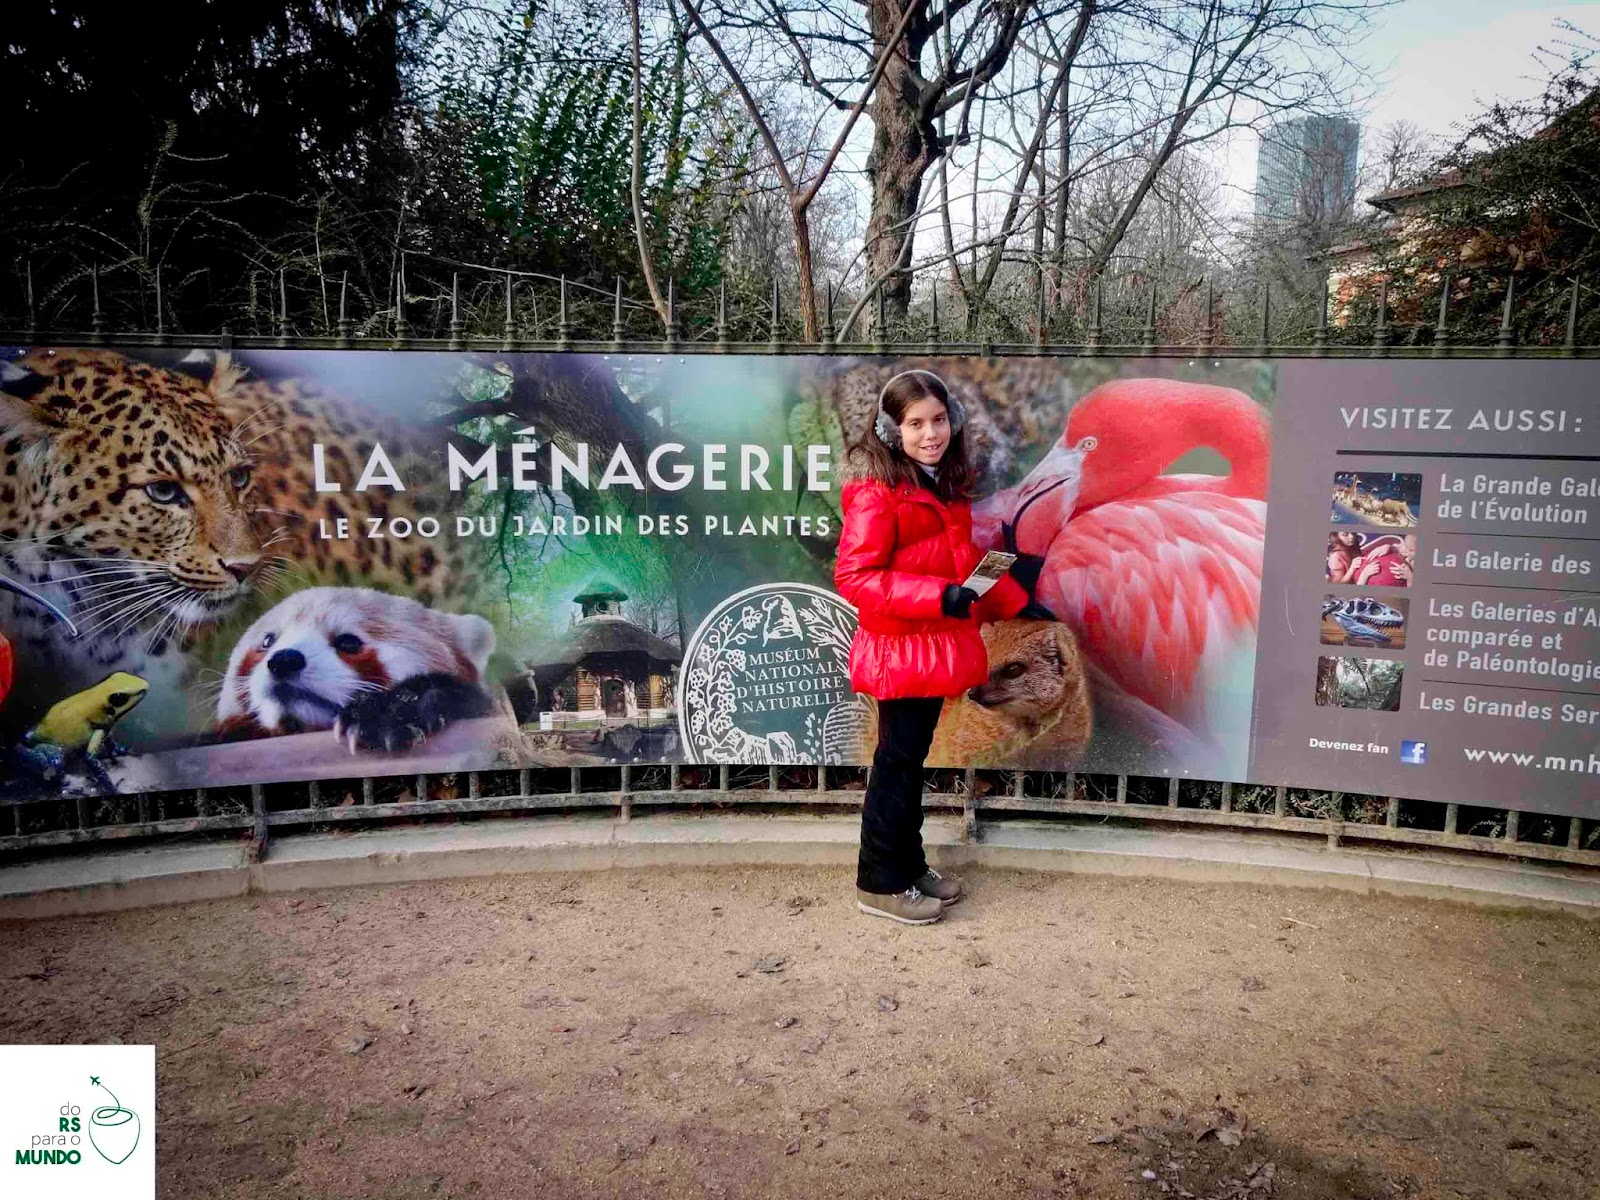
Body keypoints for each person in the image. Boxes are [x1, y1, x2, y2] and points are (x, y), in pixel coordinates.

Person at [834, 369, 1051, 925]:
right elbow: (856, 577)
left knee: (908, 763)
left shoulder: (939, 486)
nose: (929, 433)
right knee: (896, 765)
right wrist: (939, 596)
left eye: (937, 421)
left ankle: (908, 866)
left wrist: (1014, 596)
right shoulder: (877, 489)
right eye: (914, 423)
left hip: (931, 647)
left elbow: (956, 570)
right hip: (900, 648)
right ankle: (880, 881)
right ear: (890, 429)